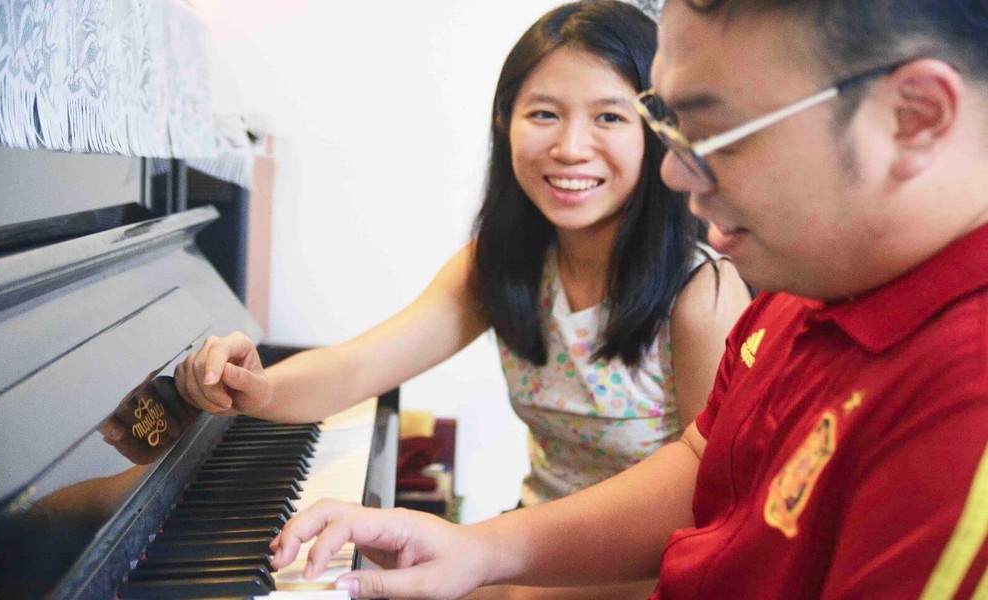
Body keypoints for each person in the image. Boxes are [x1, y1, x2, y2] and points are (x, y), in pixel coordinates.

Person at [266, 0, 988, 598]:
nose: (674, 173)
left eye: (716, 133)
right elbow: (704, 466)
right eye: (671, 128)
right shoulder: (801, 291)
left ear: (914, 116)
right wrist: (480, 551)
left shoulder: (961, 405)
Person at [175, 2, 747, 597]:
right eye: (544, 113)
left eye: (609, 117)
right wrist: (255, 388)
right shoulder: (501, 265)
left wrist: (499, 576)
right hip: (524, 557)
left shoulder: (701, 292)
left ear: (659, 130)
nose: (571, 147)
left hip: (641, 577)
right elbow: (358, 366)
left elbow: (715, 504)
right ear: (506, 123)